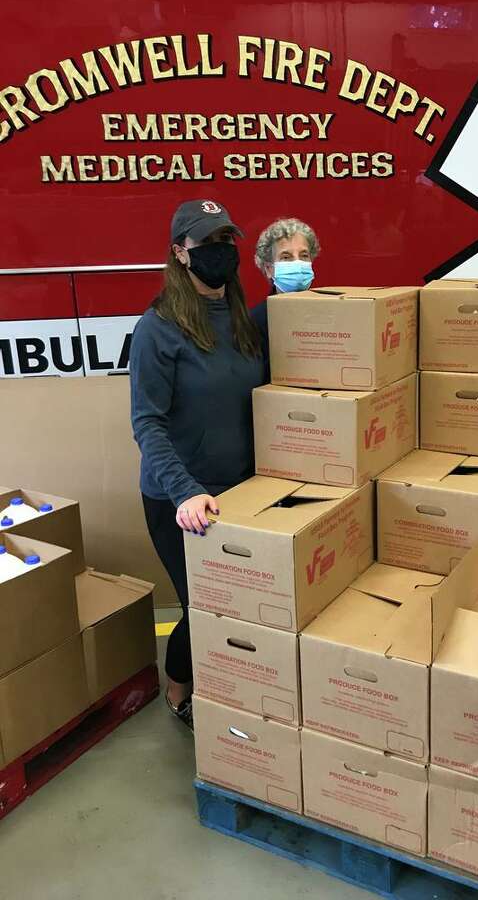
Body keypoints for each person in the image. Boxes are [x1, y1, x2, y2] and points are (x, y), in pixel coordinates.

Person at [129, 198, 266, 729]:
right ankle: (179, 690)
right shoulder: (158, 329)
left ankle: (239, 688)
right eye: (207, 243)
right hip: (179, 498)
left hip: (242, 490)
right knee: (203, 606)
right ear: (180, 254)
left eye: (227, 241)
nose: (220, 252)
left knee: (245, 605)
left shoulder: (242, 320)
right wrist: (184, 490)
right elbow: (147, 424)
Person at [252, 217, 321, 345]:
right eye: (286, 257)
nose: (297, 263)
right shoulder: (254, 323)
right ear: (269, 269)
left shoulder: (329, 313)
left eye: (304, 255)